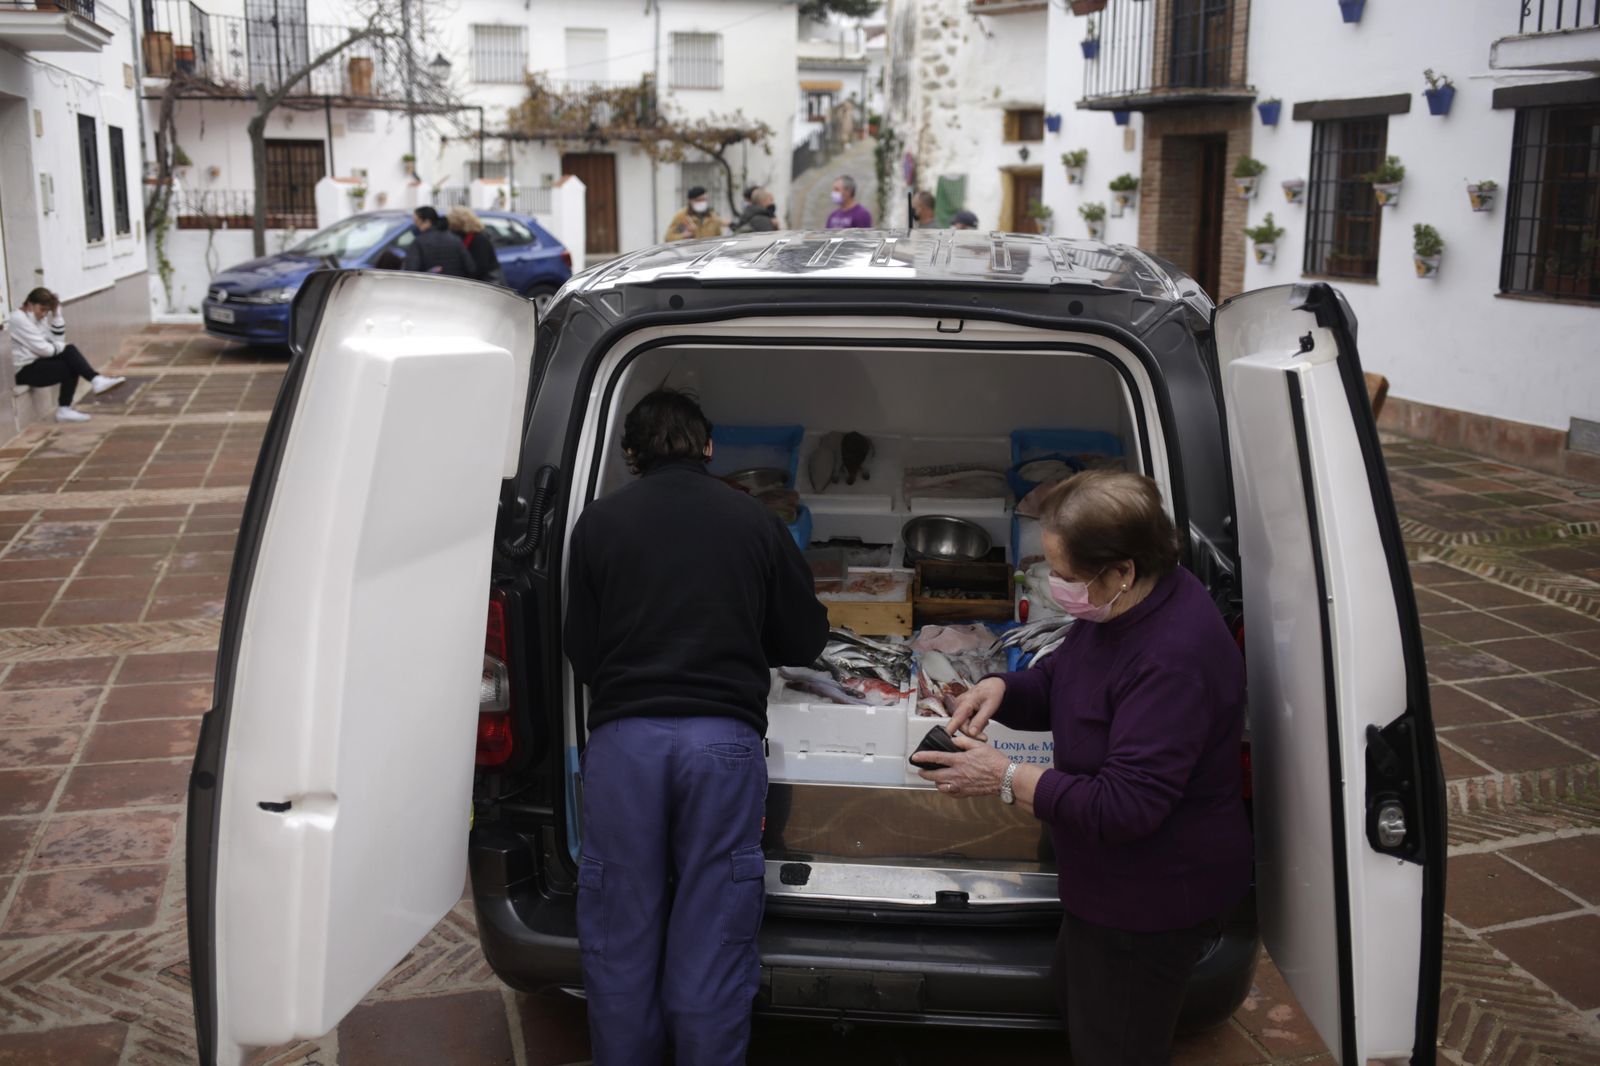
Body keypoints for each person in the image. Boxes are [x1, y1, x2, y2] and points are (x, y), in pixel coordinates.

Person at [913, 470, 1252, 1066]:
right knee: (1084, 1009)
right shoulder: (1125, 606)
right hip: (1103, 884)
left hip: (1151, 897)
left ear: (1122, 569)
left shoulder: (1173, 658)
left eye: (1067, 576)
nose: (1058, 587)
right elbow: (1067, 677)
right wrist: (1001, 687)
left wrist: (1005, 778)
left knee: (1117, 1044)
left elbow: (1128, 805)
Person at [564, 390, 830, 1066]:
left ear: (631, 456)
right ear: (709, 447)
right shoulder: (756, 520)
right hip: (722, 746)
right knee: (714, 925)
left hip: (625, 747)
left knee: (621, 927)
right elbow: (803, 638)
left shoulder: (597, 524)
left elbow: (583, 651)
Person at [7, 288, 125, 423]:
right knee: (70, 353)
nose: (44, 314)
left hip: (36, 361)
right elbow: (45, 350)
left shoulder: (37, 318)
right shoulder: (18, 319)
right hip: (23, 370)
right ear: (30, 303)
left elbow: (56, 342)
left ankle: (69, 404)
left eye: (47, 310)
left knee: (71, 359)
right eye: (42, 309)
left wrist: (57, 316)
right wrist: (63, 347)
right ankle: (92, 382)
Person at [402, 206, 475, 277]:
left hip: (430, 286)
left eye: (416, 221)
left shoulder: (419, 242)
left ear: (427, 221)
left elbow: (411, 272)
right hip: (456, 286)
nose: (415, 225)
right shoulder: (455, 239)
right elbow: (471, 268)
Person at [446, 205, 506, 286]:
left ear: (458, 222)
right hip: (478, 281)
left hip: (488, 282)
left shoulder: (478, 239)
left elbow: (480, 267)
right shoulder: (463, 237)